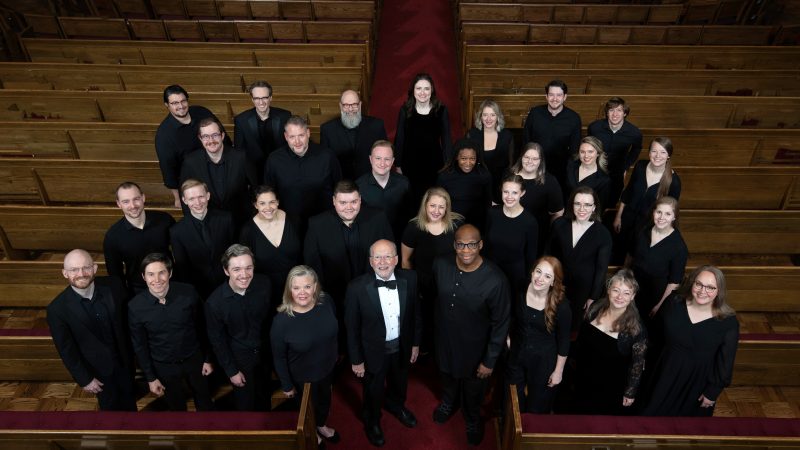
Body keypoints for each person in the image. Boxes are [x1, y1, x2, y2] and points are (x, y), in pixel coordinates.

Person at [432, 224, 510, 446]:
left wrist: (489, 360)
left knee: (474, 389)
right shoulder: (440, 264)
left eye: (472, 245)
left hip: (476, 349)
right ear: (454, 245)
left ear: (480, 245)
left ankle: (472, 417)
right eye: (461, 245)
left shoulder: (496, 280)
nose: (466, 250)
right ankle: (448, 402)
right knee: (446, 377)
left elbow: (501, 323)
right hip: (445, 342)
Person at [345, 240, 422, 446]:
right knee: (373, 390)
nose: (383, 262)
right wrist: (356, 359)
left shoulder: (411, 279)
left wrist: (415, 343)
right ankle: (372, 421)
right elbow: (351, 328)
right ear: (370, 261)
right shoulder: (356, 288)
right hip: (372, 351)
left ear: (396, 259)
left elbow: (416, 315)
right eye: (377, 257)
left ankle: (396, 406)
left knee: (400, 382)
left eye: (388, 256)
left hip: (401, 346)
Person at [47, 249, 136, 411]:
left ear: (94, 268)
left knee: (131, 402)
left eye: (86, 267)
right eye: (74, 270)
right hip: (98, 372)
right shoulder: (57, 309)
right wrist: (85, 379)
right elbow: (67, 350)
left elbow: (129, 321)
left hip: (126, 363)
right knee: (110, 410)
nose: (81, 274)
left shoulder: (115, 285)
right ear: (65, 273)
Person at [643, 266, 739, 416]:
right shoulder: (673, 302)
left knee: (683, 431)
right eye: (698, 284)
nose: (702, 291)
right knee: (648, 423)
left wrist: (713, 391)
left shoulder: (728, 322)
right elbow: (654, 335)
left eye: (710, 287)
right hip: (663, 373)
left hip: (696, 383)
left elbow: (725, 362)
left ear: (719, 291)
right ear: (692, 283)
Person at [304, 180, 394, 338]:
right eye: (343, 202)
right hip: (335, 294)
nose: (349, 207)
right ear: (334, 201)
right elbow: (313, 265)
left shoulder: (378, 218)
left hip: (373, 291)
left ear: (360, 199)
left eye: (354, 201)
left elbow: (390, 255)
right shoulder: (317, 224)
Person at [128, 253, 214, 411]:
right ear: (143, 277)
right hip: (163, 366)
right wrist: (151, 377)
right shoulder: (135, 307)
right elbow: (140, 346)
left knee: (205, 401)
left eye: (162, 272)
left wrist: (207, 358)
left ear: (170, 273)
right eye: (151, 274)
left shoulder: (188, 293)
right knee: (176, 407)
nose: (157, 279)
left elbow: (203, 327)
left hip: (194, 359)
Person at [271, 265, 339, 447]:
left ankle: (322, 425)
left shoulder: (326, 302)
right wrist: (286, 384)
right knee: (308, 410)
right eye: (296, 288)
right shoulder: (281, 321)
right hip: (302, 378)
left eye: (307, 286)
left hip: (328, 368)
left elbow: (333, 332)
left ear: (315, 286)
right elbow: (278, 357)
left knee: (325, 401)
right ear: (289, 290)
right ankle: (313, 432)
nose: (302, 292)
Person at [205, 244, 271, 411]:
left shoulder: (264, 284)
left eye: (249, 268)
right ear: (226, 271)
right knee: (245, 404)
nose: (244, 275)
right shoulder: (214, 303)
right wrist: (231, 371)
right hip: (239, 360)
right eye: (236, 269)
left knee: (265, 397)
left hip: (265, 355)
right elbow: (217, 341)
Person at [573, 269, 647, 415]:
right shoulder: (594, 309)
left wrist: (630, 391)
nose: (620, 297)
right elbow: (581, 341)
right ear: (608, 290)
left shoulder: (636, 328)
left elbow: (637, 365)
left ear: (632, 296)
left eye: (626, 293)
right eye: (616, 290)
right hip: (583, 376)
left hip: (609, 386)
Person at [401, 187, 463, 352]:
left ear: (447, 208)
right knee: (426, 318)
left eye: (441, 207)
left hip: (450, 283)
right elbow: (406, 260)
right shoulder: (413, 227)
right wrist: (413, 287)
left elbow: (464, 255)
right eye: (432, 206)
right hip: (423, 284)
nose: (436, 211)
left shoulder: (456, 225)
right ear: (425, 206)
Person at [506, 256, 570, 413]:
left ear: (553, 282)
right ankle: (511, 431)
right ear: (532, 272)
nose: (540, 279)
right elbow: (512, 316)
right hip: (518, 352)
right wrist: (508, 337)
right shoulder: (521, 287)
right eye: (538, 272)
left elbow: (564, 341)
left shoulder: (562, 306)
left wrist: (558, 371)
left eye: (547, 276)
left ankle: (529, 433)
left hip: (543, 360)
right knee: (512, 399)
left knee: (537, 405)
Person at [547, 186, 612, 330]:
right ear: (572, 205)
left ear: (594, 207)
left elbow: (601, 270)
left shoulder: (603, 234)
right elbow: (548, 255)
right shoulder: (559, 224)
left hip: (582, 291)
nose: (582, 209)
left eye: (587, 205)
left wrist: (592, 298)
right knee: (551, 321)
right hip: (557, 283)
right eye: (578, 204)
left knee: (573, 326)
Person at [155, 84, 230, 207]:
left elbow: (224, 137)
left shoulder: (202, 112)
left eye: (183, 101)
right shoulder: (164, 135)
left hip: (220, 170)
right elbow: (168, 170)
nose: (180, 106)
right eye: (174, 103)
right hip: (195, 182)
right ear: (167, 105)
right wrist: (177, 197)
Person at [264, 115, 342, 231]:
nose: (297, 141)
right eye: (292, 137)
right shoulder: (274, 159)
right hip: (288, 224)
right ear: (286, 137)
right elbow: (269, 192)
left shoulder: (327, 156)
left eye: (301, 135)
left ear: (308, 133)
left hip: (323, 222)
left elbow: (339, 187)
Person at [180, 117, 258, 228]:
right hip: (209, 223)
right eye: (206, 136)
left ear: (222, 135)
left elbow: (256, 189)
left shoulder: (241, 157)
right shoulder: (190, 162)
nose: (211, 140)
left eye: (215, 135)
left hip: (241, 221)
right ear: (200, 138)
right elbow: (184, 193)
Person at [613, 137, 681, 261]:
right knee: (618, 250)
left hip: (646, 226)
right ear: (649, 152)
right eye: (654, 151)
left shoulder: (674, 181)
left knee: (634, 256)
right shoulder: (640, 166)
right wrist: (618, 216)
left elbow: (670, 213)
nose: (657, 156)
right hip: (627, 219)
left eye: (663, 152)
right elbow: (628, 192)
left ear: (669, 155)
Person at [103, 181, 174, 294]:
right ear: (118, 204)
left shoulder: (164, 220)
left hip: (171, 284)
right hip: (139, 291)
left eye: (136, 199)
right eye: (126, 201)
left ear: (143, 198)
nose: (132, 206)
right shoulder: (112, 236)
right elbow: (115, 275)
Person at [170, 178, 236, 299]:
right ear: (184, 200)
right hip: (199, 289)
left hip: (229, 283)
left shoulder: (226, 219)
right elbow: (182, 267)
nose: (198, 202)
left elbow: (234, 252)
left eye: (201, 196)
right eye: (191, 199)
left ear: (208, 196)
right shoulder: (177, 231)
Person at [239, 185, 302, 307]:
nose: (268, 208)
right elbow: (247, 265)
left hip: (297, 286)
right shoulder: (247, 231)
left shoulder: (294, 220)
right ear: (255, 205)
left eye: (272, 202)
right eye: (262, 203)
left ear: (278, 202)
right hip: (266, 291)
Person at [394, 73, 452, 203]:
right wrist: (398, 164)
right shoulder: (405, 109)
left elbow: (447, 139)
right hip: (410, 164)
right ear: (413, 90)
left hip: (434, 164)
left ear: (432, 90)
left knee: (431, 199)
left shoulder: (441, 110)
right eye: (418, 88)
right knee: (412, 200)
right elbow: (400, 138)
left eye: (426, 88)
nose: (423, 92)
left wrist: (448, 164)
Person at [628, 196, 688, 321]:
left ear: (674, 217)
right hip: (633, 289)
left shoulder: (679, 246)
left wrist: (660, 306)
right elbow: (631, 258)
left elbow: (674, 282)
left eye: (667, 214)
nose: (661, 217)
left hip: (656, 297)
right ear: (653, 212)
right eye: (659, 212)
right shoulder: (643, 230)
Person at [485, 175, 538, 297]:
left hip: (515, 276)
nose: (509, 197)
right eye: (506, 192)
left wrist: (528, 281)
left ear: (522, 193)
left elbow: (531, 256)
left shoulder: (530, 221)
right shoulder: (492, 213)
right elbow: (486, 245)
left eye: (514, 193)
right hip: (491, 271)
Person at [522, 80, 581, 187]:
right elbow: (526, 141)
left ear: (565, 97)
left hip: (560, 171)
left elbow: (574, 150)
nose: (555, 99)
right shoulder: (535, 113)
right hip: (534, 166)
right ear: (546, 96)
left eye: (559, 95)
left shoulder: (574, 118)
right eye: (551, 95)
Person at [587, 97, 643, 207]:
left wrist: (626, 166)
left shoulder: (635, 133)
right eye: (611, 110)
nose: (615, 114)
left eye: (619, 110)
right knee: (591, 200)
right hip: (596, 170)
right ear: (607, 113)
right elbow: (588, 145)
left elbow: (637, 149)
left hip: (617, 174)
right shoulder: (594, 127)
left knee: (611, 203)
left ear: (625, 113)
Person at [510, 142, 564, 256]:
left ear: (541, 161)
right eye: (527, 157)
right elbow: (496, 203)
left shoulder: (550, 182)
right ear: (521, 157)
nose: (530, 161)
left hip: (536, 235)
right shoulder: (508, 175)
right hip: (510, 230)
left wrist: (549, 234)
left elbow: (558, 212)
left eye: (535, 159)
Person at [321, 89, 388, 180]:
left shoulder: (376, 126)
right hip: (341, 184)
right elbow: (325, 162)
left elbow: (386, 154)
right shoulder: (327, 129)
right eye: (346, 105)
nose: (350, 109)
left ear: (360, 105)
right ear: (340, 106)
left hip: (370, 182)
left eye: (354, 105)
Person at [356, 140, 413, 241]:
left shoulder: (404, 183)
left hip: (398, 238)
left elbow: (410, 214)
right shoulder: (358, 186)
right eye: (378, 158)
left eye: (387, 159)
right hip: (370, 239)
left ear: (392, 161)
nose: (382, 163)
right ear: (370, 159)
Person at [233, 80, 291, 178]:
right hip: (254, 172)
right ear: (252, 99)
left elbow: (289, 144)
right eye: (257, 98)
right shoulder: (241, 120)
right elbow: (239, 151)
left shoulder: (285, 116)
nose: (261, 102)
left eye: (264, 97)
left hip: (281, 168)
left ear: (270, 98)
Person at [466, 99, 515, 204]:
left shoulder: (507, 136)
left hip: (500, 186)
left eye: (492, 115)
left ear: (498, 117)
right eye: (485, 115)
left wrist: (504, 189)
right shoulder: (472, 135)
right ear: (480, 117)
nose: (488, 119)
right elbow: (467, 162)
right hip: (477, 185)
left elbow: (510, 166)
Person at [437, 138, 492, 230]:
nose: (468, 163)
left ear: (477, 158)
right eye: (463, 158)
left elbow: (487, 203)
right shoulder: (444, 176)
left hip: (477, 223)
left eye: (472, 159)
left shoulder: (484, 175)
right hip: (452, 222)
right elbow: (439, 202)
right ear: (456, 157)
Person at [563, 136, 610, 210]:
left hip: (585, 217)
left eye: (590, 152)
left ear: (598, 153)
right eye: (582, 152)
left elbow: (600, 207)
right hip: (565, 212)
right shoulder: (570, 165)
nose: (586, 155)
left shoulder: (604, 179)